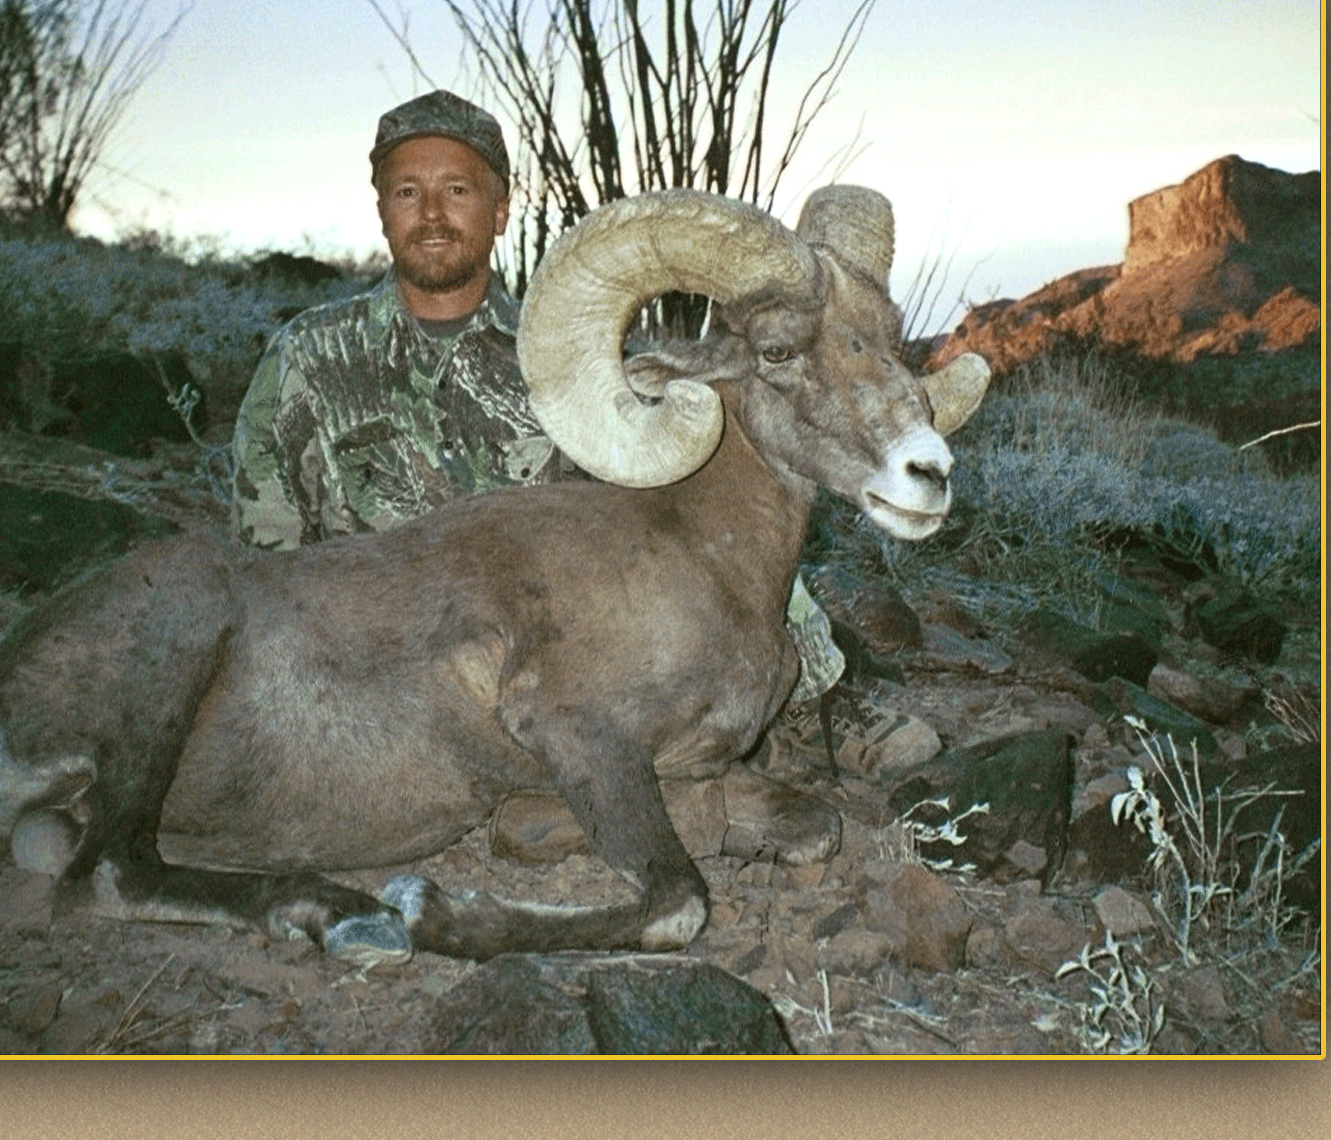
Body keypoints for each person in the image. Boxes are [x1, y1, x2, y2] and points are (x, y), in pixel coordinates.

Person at [230, 89, 934, 777]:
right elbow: (264, 536)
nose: (434, 213)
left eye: (458, 190)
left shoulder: (571, 358)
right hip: (372, 657)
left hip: (547, 668)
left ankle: (814, 699)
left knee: (737, 467)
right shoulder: (307, 360)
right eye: (408, 192)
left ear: (500, 210)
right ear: (382, 208)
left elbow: (692, 527)